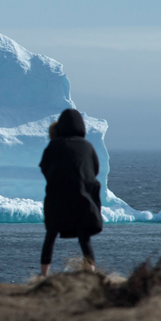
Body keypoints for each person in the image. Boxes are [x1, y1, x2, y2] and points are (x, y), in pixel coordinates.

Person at [38, 108, 103, 276]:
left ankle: (44, 275)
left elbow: (44, 167)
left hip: (57, 199)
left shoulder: (54, 146)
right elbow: (94, 169)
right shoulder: (87, 146)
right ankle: (90, 273)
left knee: (50, 235)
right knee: (84, 236)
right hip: (83, 198)